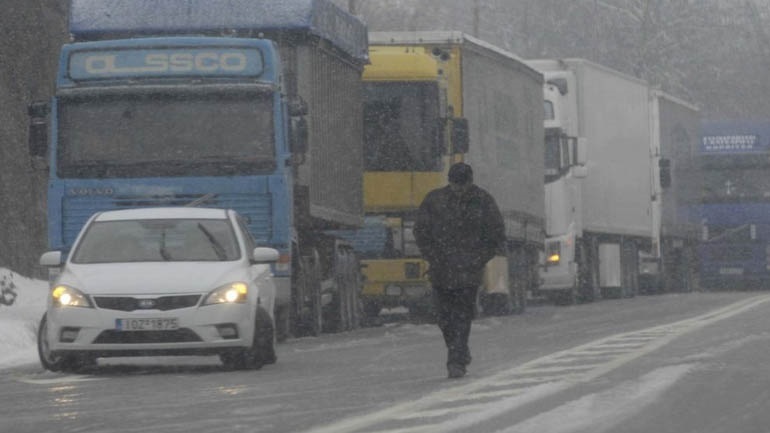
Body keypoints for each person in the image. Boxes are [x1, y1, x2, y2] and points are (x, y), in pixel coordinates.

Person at [414, 162, 505, 378]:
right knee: (443, 317)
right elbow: (420, 231)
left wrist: (479, 259)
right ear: (450, 182)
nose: (459, 190)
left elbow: (496, 234)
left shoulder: (483, 201)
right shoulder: (434, 200)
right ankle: (460, 351)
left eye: (463, 185)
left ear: (470, 182)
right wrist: (432, 255)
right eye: (456, 185)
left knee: (462, 316)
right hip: (441, 270)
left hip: (468, 272)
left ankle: (455, 360)